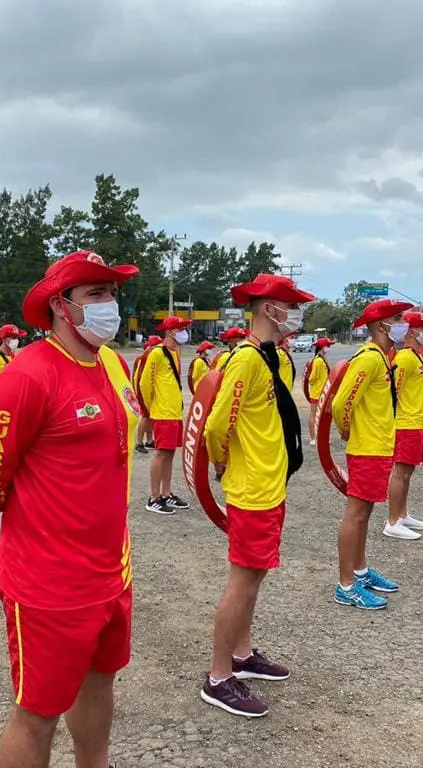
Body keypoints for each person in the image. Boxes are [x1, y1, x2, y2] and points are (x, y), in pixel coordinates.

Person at [0, 250, 139, 768]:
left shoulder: (111, 362)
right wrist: (42, 519)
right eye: (96, 294)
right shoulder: (29, 374)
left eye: (113, 293)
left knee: (99, 685)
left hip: (113, 570)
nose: (110, 305)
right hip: (49, 584)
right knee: (38, 712)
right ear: (62, 305)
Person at [201, 274, 311, 717]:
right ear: (270, 309)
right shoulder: (246, 359)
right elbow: (215, 425)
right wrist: (221, 462)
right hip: (252, 489)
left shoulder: (269, 356)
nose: (297, 313)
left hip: (269, 484)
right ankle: (218, 676)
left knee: (255, 577)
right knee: (243, 580)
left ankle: (242, 656)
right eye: (291, 304)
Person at [331, 298, 413, 610]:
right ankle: (346, 584)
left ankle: (360, 571)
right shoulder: (368, 359)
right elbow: (341, 404)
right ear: (382, 325)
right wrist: (348, 430)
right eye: (398, 317)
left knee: (365, 513)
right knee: (356, 513)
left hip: (379, 446)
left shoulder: (382, 357)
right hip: (366, 448)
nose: (404, 323)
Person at [385, 312, 423, 539]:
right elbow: (392, 392)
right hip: (405, 422)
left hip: (416, 421)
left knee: (408, 472)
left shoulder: (416, 357)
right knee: (401, 472)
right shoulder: (404, 358)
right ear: (413, 331)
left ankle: (402, 514)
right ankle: (392, 520)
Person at [139, 315, 193, 515]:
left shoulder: (175, 353)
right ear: (171, 332)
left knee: (170, 453)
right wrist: (150, 408)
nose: (184, 333)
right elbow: (145, 384)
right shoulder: (156, 354)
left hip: (174, 412)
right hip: (162, 413)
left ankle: (166, 493)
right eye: (181, 329)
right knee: (161, 453)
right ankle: (153, 498)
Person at [133, 335, 161, 453]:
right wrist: (140, 393)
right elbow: (138, 377)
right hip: (142, 390)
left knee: (149, 417)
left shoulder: (150, 356)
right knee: (145, 417)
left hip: (149, 390)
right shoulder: (143, 357)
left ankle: (149, 441)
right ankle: (139, 442)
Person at [304, 337, 333, 445]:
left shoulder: (323, 359)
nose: (329, 348)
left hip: (323, 393)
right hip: (317, 393)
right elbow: (311, 378)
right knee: (313, 414)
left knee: (322, 417)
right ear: (322, 347)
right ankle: (313, 438)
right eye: (328, 346)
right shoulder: (318, 361)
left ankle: (320, 437)